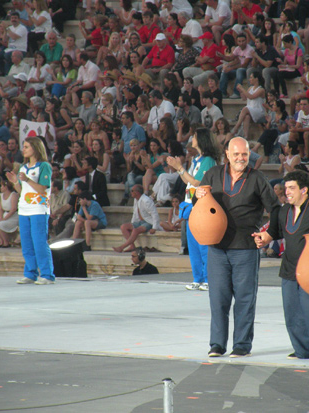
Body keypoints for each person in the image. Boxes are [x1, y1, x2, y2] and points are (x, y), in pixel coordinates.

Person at [196, 137, 280, 358]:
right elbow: (199, 204)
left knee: (244, 300)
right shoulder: (213, 175)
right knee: (218, 300)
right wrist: (196, 196)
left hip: (246, 248)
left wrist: (269, 235)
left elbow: (277, 210)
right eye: (236, 154)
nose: (241, 158)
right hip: (217, 248)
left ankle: (242, 345)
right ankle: (217, 345)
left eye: (244, 154)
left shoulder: (258, 178)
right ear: (227, 155)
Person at [252, 170, 309, 360]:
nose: (287, 192)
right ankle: (302, 349)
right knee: (292, 313)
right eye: (286, 188)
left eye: (291, 188)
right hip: (290, 268)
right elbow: (274, 232)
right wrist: (263, 239)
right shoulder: (283, 211)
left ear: (304, 190)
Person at [167, 128, 220, 291]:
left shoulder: (209, 160)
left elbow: (198, 183)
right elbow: (186, 180)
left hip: (202, 207)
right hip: (190, 206)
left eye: (195, 136)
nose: (192, 138)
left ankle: (208, 279)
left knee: (203, 246)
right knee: (193, 247)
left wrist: (180, 169)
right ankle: (198, 278)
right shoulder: (197, 159)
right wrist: (178, 168)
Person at [7, 136, 55, 285]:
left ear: (35, 148)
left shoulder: (44, 166)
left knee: (39, 242)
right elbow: (22, 191)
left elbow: (42, 189)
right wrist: (16, 182)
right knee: (26, 243)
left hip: (38, 209)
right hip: (24, 209)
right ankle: (30, 273)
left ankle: (47, 274)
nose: (24, 149)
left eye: (27, 146)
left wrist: (27, 179)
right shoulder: (23, 167)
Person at [113, 184, 161, 253]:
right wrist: (132, 223)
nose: (131, 192)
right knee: (123, 227)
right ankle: (132, 246)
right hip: (140, 222)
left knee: (135, 230)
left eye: (132, 191)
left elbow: (154, 214)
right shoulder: (136, 200)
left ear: (137, 192)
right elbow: (135, 213)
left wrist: (154, 227)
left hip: (149, 222)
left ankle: (121, 247)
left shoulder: (146, 200)